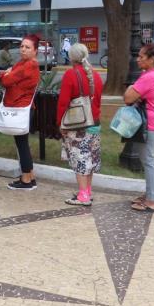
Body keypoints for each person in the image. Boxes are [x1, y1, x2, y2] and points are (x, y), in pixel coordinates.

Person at [56, 43, 103, 205]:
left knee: (80, 159)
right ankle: (87, 191)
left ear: (71, 58)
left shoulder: (71, 74)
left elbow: (63, 102)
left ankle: (83, 196)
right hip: (95, 123)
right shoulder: (95, 75)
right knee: (90, 159)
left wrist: (60, 123)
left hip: (78, 125)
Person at [124, 44, 154, 212]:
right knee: (148, 159)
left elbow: (127, 97)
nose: (138, 59)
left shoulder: (149, 77)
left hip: (148, 123)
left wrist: (130, 88)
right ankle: (150, 194)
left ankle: (152, 200)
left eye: (142, 57)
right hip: (151, 121)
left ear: (152, 59)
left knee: (148, 160)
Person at [0, 34, 41, 190]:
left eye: (27, 47)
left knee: (22, 145)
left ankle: (26, 180)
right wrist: (8, 74)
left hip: (21, 109)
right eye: (22, 46)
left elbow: (6, 81)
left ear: (35, 51)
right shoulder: (23, 63)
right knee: (22, 144)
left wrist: (4, 74)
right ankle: (30, 176)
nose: (23, 49)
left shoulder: (29, 65)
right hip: (22, 108)